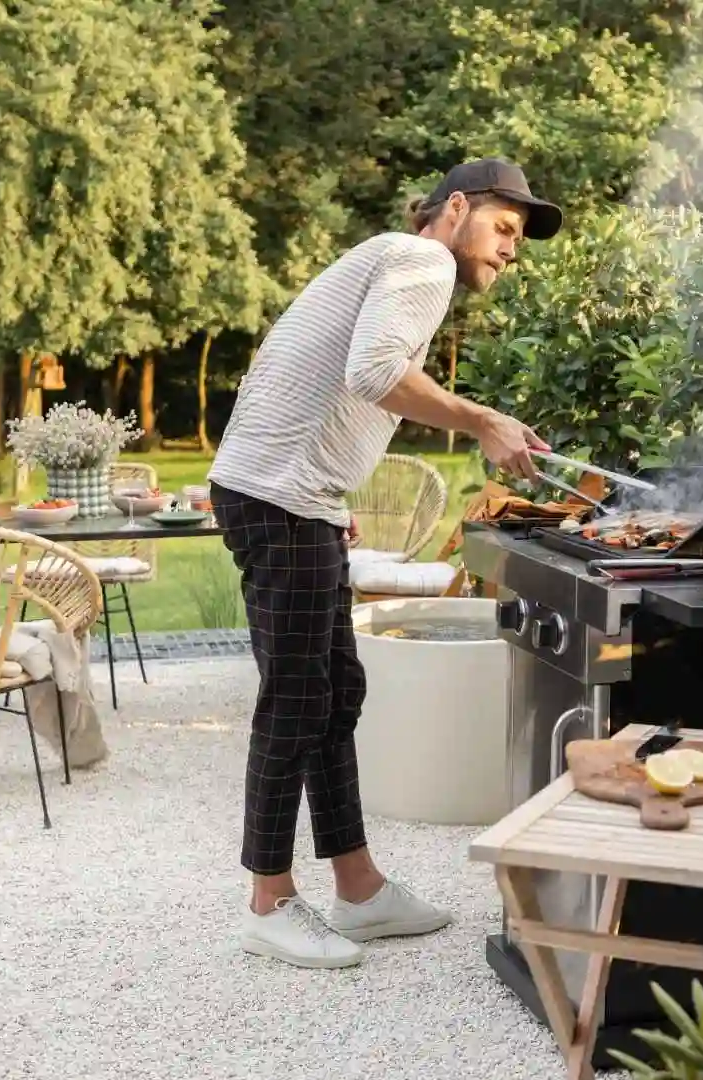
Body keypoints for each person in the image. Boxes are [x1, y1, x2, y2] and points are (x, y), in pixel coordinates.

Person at [206, 158, 559, 969]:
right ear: (456, 208)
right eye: (504, 229)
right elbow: (373, 374)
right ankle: (268, 900)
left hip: (298, 498)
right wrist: (483, 422)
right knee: (296, 698)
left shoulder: (389, 260)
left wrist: (329, 480)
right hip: (281, 499)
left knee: (336, 691)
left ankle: (358, 889)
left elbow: (312, 363)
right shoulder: (422, 259)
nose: (511, 250)